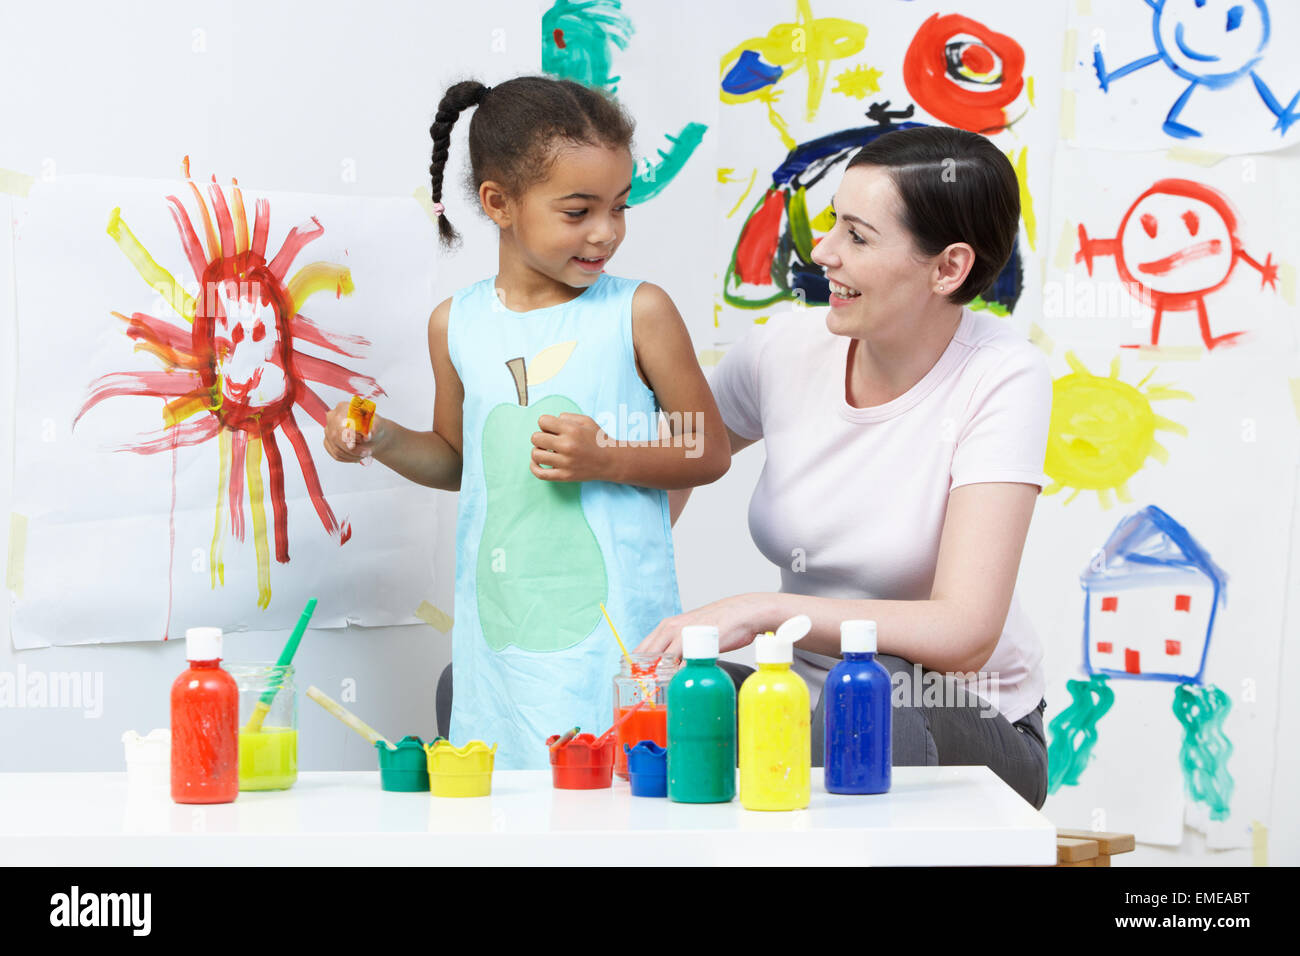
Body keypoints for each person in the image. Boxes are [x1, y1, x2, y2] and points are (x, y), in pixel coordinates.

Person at [635, 126, 1052, 808]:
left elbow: (966, 630)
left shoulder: (1003, 377)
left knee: (874, 695)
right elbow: (670, 467)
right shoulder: (784, 349)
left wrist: (765, 609)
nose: (822, 252)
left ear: (947, 268)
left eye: (856, 236)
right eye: (832, 224)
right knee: (645, 690)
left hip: (962, 728)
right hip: (802, 715)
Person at [322, 76, 730, 769]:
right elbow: (459, 460)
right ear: (498, 203)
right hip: (499, 634)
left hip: (617, 630)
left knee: (622, 800)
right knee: (511, 804)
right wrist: (382, 441)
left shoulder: (639, 311)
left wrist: (609, 457)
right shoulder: (456, 324)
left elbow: (710, 449)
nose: (606, 231)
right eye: (579, 211)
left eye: (619, 208)